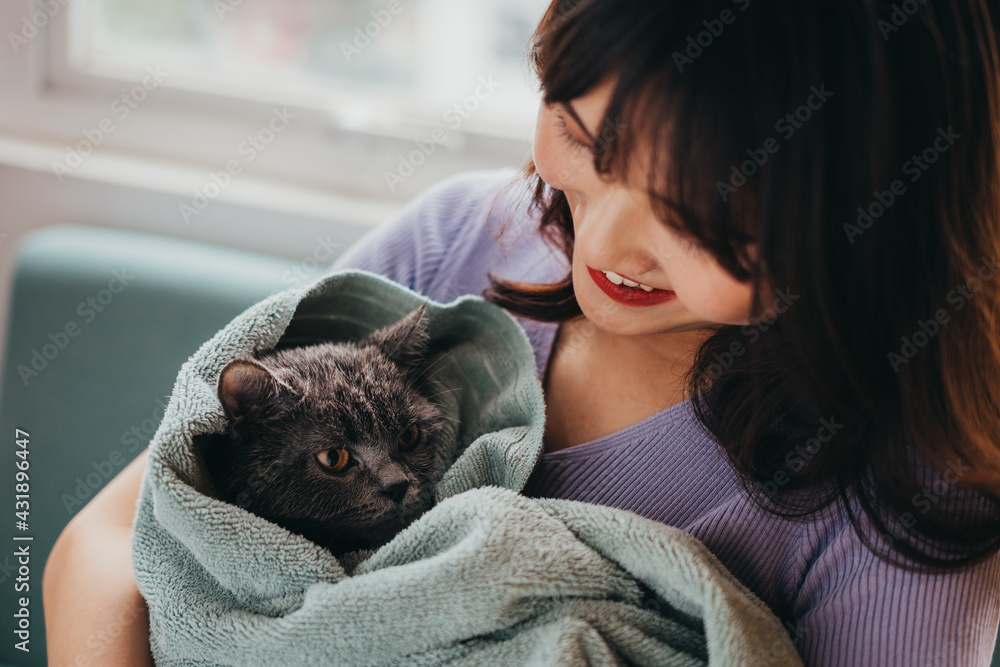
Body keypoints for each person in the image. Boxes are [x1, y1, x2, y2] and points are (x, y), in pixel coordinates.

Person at [44, 0, 1000, 664]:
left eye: (705, 215)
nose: (609, 243)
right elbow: (117, 538)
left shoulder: (903, 491)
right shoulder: (452, 242)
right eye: (591, 142)